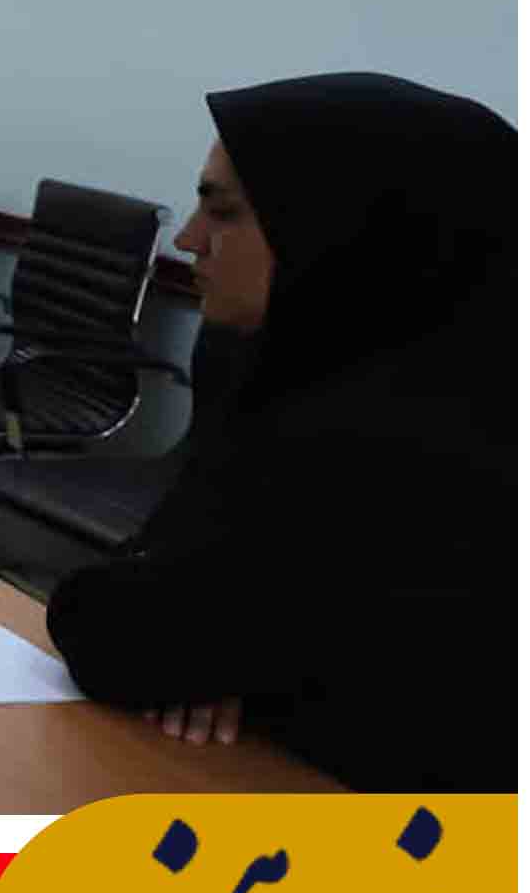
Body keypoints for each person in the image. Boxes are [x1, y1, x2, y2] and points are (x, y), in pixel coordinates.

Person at [48, 73, 515, 791]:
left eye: (224, 213)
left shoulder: (389, 445)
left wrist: (204, 648)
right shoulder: (315, 372)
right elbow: (180, 597)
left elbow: (110, 630)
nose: (189, 240)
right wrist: (213, 645)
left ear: (347, 233)